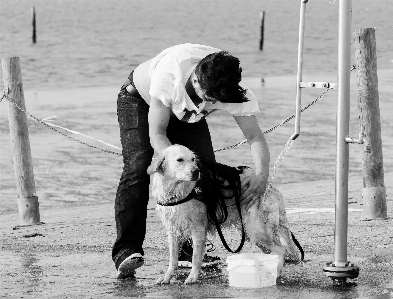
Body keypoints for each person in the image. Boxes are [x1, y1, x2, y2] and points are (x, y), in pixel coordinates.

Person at [113, 43, 270, 279]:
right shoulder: (169, 75)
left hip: (186, 114)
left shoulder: (233, 92)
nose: (207, 102)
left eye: (212, 100)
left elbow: (255, 137)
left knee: (203, 169)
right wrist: (176, 166)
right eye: (204, 96)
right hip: (141, 99)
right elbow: (157, 134)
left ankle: (191, 251)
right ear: (196, 79)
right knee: (139, 168)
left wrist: (261, 175)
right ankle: (127, 249)